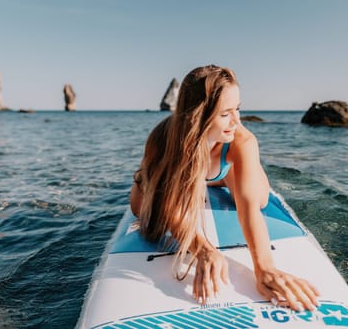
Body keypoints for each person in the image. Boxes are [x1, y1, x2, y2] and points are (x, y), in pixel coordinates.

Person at [130, 65, 319, 311]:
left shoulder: (242, 140)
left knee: (260, 200)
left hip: (225, 168)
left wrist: (266, 268)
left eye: (238, 109)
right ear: (198, 115)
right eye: (225, 113)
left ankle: (225, 177)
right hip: (188, 160)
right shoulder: (162, 138)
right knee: (140, 208)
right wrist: (204, 250)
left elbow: (248, 211)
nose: (237, 121)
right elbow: (169, 209)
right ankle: (181, 176)